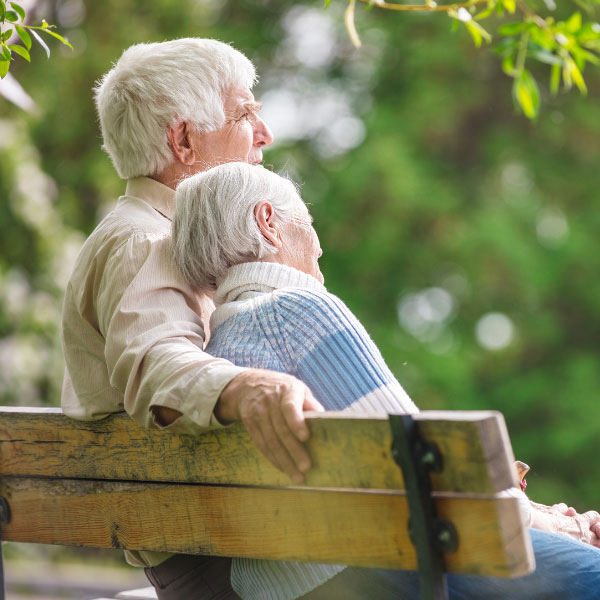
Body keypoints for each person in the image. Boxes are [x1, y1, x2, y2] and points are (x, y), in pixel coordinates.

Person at [171, 161, 600, 600]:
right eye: (309, 222)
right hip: (377, 571)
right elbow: (432, 482)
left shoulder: (215, 350)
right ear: (268, 223)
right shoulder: (297, 311)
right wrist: (567, 526)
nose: (318, 245)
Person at [61, 39, 324, 600]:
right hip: (221, 561)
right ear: (183, 140)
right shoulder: (146, 240)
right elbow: (155, 363)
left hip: (227, 538)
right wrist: (246, 385)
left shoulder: (164, 236)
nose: (265, 134)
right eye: (244, 113)